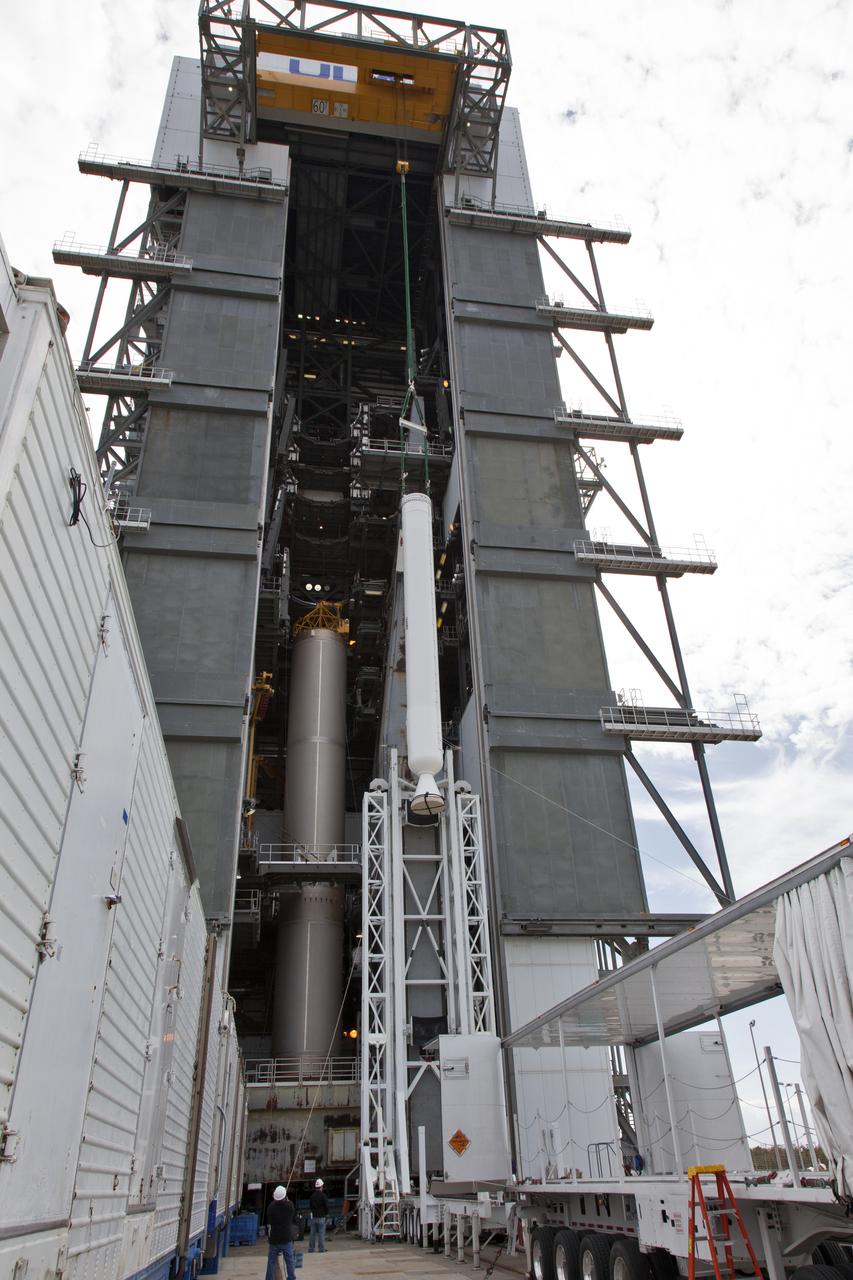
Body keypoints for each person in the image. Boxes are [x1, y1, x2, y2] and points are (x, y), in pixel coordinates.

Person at [265, 1185, 297, 1280]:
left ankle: (269, 1278)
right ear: (285, 1196)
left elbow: (269, 1219)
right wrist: (286, 1199)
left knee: (271, 1261)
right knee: (289, 1260)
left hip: (274, 1238)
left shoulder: (270, 1207)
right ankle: (291, 1277)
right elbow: (291, 1209)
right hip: (286, 1238)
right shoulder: (289, 1206)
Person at [308, 1178, 329, 1253]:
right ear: (321, 1186)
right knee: (321, 1233)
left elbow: (310, 1206)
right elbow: (326, 1206)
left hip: (313, 1216)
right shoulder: (323, 1196)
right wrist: (326, 1213)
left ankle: (311, 1249)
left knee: (312, 1233)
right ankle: (321, 1249)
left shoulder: (312, 1196)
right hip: (321, 1217)